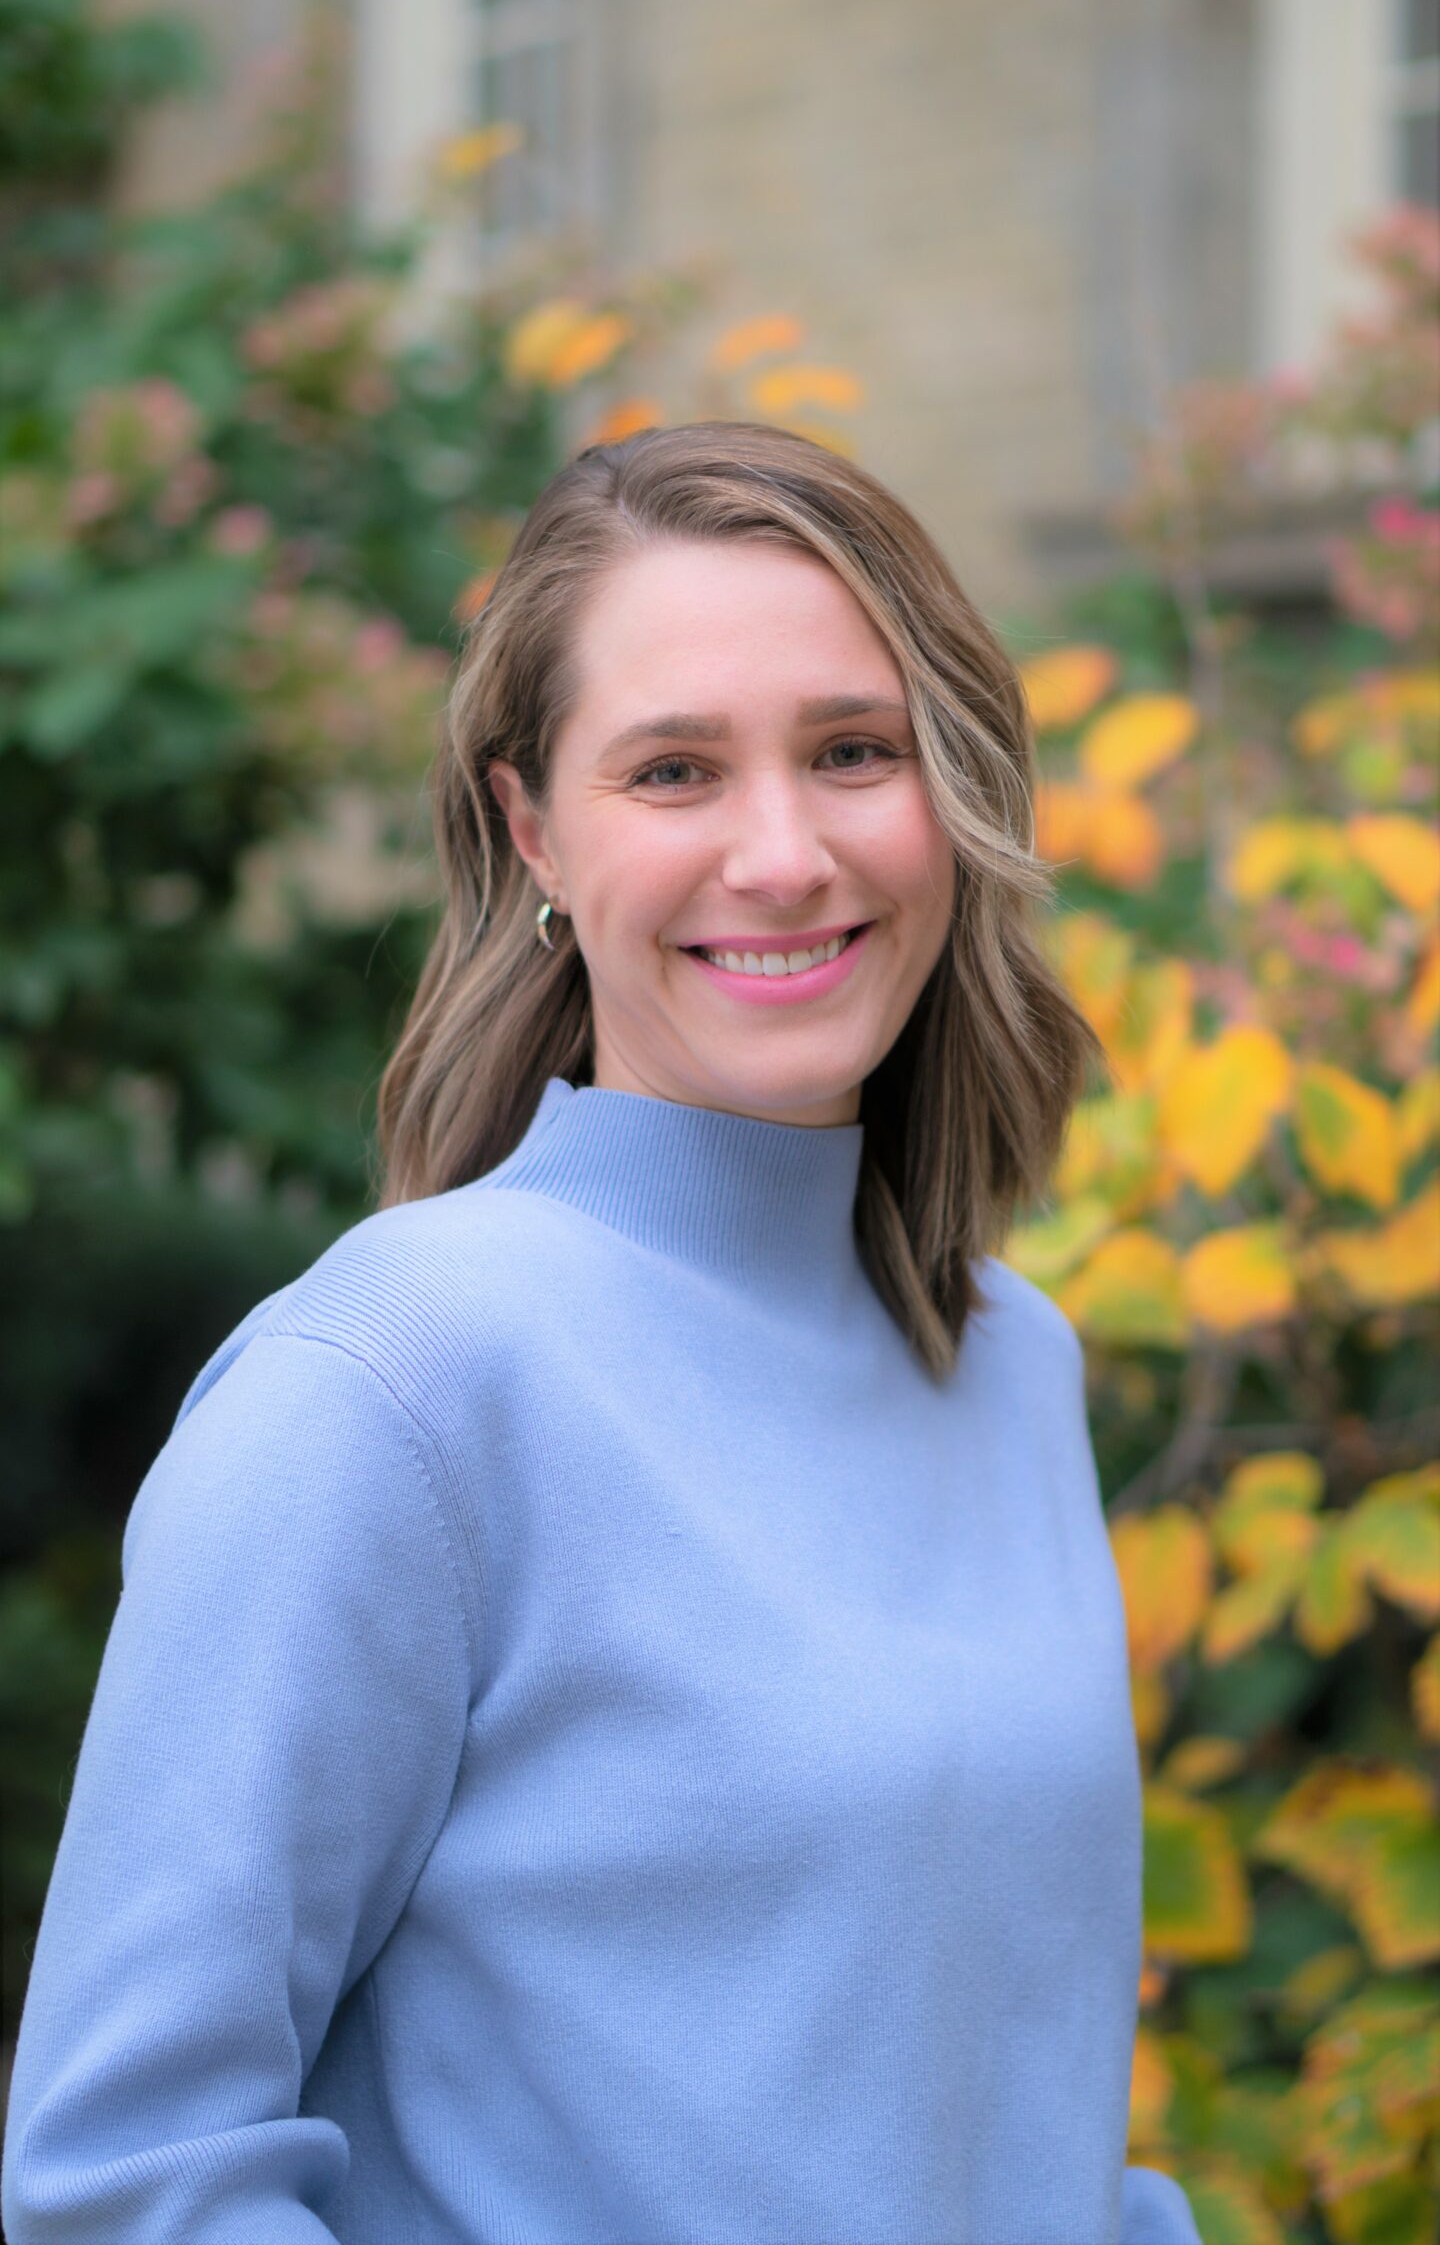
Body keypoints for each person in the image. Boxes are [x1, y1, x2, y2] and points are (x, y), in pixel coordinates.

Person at [2, 423, 1203, 2244]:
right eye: (674, 771)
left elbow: (1003, 2117)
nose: (785, 853)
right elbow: (126, 2185)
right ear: (533, 829)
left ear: (952, 792)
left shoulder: (1009, 1364)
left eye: (853, 750)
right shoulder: (391, 1391)